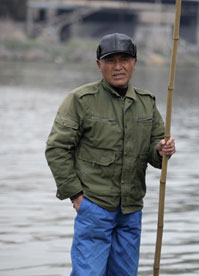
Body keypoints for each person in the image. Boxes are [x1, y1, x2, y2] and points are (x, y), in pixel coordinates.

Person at [45, 33, 176, 275]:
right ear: (99, 65)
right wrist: (75, 196)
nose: (118, 67)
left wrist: (162, 150)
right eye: (110, 60)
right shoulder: (80, 100)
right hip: (94, 206)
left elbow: (156, 154)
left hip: (131, 210)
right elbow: (57, 149)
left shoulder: (147, 103)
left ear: (134, 63)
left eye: (124, 59)